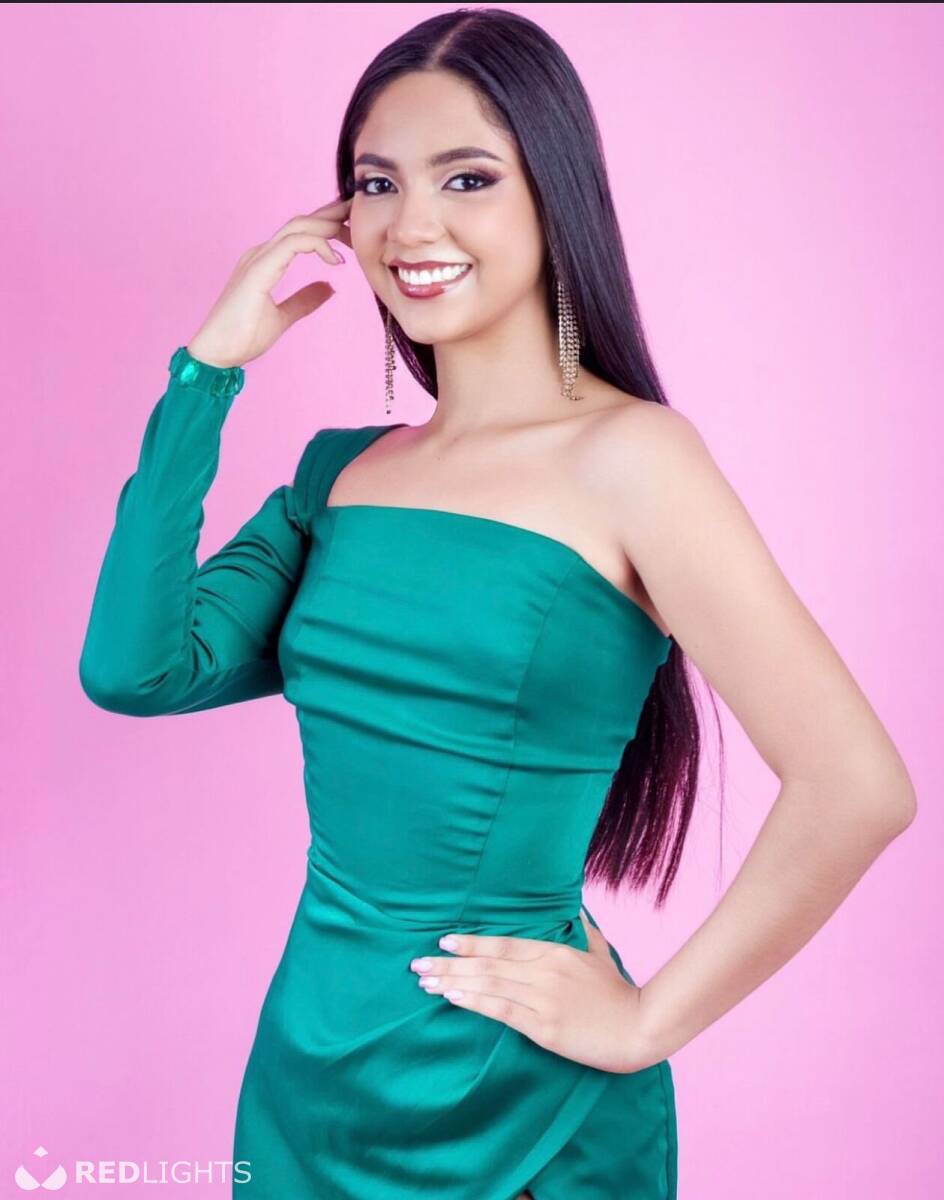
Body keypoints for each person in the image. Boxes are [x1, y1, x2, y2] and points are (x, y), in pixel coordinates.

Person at [78, 8, 917, 1199]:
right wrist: (206, 372)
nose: (410, 226)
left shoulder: (633, 459)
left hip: (515, 1096)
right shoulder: (336, 476)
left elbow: (856, 785)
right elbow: (133, 670)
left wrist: (645, 1022)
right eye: (376, 182)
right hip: (309, 1074)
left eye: (465, 177)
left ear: (553, 193)